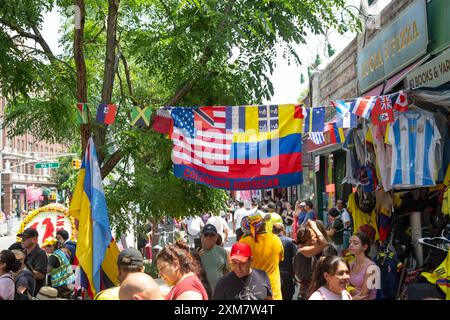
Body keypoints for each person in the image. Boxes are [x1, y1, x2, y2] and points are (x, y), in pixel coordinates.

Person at [239, 211, 284, 300]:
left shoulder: (243, 242)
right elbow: (280, 258)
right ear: (263, 225)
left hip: (253, 292)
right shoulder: (275, 239)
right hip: (274, 292)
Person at [293, 220, 330, 300]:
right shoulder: (303, 251)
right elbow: (324, 243)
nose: (316, 238)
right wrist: (314, 227)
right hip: (308, 293)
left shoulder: (308, 251)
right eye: (314, 236)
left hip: (315, 292)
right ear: (307, 239)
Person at [198, 224, 229, 295]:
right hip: (202, 294)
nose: (208, 237)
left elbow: (226, 271)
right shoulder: (195, 253)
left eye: (212, 235)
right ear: (201, 237)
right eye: (206, 235)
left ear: (216, 237)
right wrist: (196, 257)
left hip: (219, 293)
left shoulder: (222, 251)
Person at [17, 227, 48, 296]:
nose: (22, 241)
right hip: (24, 290)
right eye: (21, 238)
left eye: (24, 239)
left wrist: (22, 268)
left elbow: (40, 275)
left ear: (34, 239)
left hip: (34, 293)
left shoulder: (40, 254)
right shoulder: (22, 253)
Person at [348, 232, 379, 300]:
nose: (351, 245)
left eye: (355, 243)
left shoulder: (372, 267)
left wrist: (350, 291)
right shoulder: (351, 264)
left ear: (364, 247)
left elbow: (363, 295)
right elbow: (345, 285)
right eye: (350, 242)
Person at [272, 223, 297, 300]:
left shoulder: (268, 242)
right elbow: (295, 259)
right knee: (287, 296)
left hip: (272, 275)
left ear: (272, 231)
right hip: (287, 275)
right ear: (283, 230)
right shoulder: (290, 241)